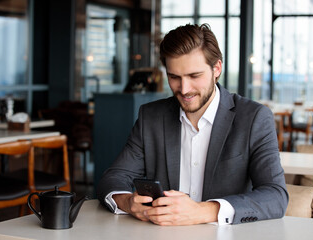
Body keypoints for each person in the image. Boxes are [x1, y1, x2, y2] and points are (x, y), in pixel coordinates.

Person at [97, 23, 288, 226]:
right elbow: (114, 178)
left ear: (217, 68)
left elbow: (275, 196)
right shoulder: (151, 116)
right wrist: (128, 202)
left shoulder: (254, 118)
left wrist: (203, 211)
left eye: (194, 76)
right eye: (174, 77)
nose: (184, 89)